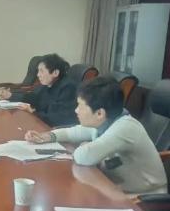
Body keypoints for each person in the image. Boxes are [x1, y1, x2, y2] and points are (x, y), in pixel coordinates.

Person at [25, 76, 167, 195]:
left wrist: (85, 147)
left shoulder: (125, 128)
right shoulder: (106, 120)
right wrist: (47, 136)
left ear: (99, 113)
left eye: (80, 106)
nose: (76, 110)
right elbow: (73, 132)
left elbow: (84, 156)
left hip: (144, 200)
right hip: (114, 189)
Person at [0, 53, 77, 127]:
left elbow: (56, 118)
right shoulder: (47, 84)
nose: (38, 75)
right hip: (43, 124)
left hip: (57, 129)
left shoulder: (68, 88)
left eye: (41, 71)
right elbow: (34, 98)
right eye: (38, 71)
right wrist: (10, 95)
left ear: (55, 73)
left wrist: (33, 112)